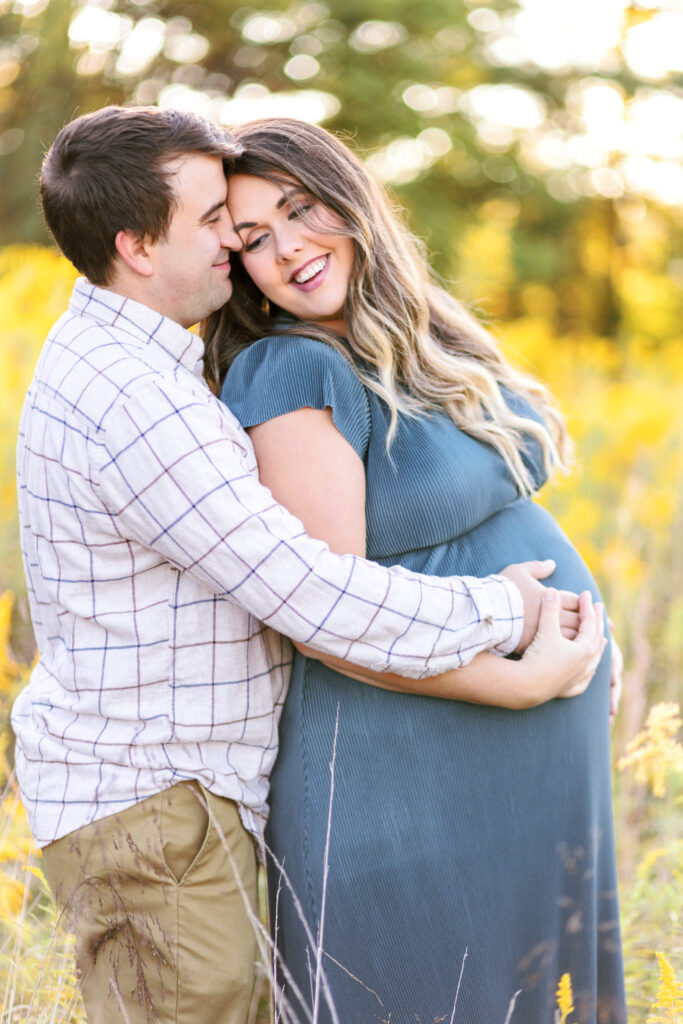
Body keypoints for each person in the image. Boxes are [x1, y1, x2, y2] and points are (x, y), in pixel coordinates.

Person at [11, 105, 603, 1024]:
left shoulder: (153, 368)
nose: (251, 250)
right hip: (170, 802)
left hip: (190, 801)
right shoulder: (146, 396)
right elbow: (311, 595)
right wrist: (515, 630)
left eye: (285, 213)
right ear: (135, 245)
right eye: (226, 227)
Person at [207, 117, 627, 1024]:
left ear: (349, 203)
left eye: (299, 210)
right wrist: (519, 688)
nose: (287, 250)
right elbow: (328, 614)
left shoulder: (422, 334)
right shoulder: (289, 370)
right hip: (401, 775)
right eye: (253, 240)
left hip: (522, 770)